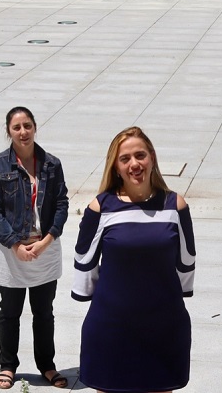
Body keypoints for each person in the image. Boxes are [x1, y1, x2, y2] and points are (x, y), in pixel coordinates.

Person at [73, 126, 196, 393]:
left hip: (163, 325)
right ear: (115, 167)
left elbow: (187, 262)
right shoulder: (101, 206)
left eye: (140, 155)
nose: (134, 164)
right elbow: (85, 260)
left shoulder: (175, 206)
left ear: (152, 157)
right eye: (125, 159)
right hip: (111, 326)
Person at [0, 106, 69, 390]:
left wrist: (48, 239)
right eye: (17, 127)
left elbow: (61, 204)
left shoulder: (52, 164)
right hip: (11, 251)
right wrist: (15, 244)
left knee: (44, 311)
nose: (23, 132)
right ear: (8, 131)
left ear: (35, 127)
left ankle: (47, 366)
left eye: (27, 125)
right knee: (10, 311)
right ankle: (7, 366)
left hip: (45, 247)